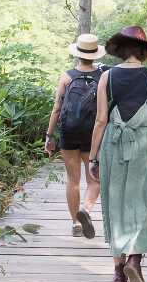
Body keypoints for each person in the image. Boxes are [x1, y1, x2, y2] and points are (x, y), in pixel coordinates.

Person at [87, 26, 147, 282]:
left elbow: (101, 120)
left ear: (120, 50)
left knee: (115, 205)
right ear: (144, 51)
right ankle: (134, 258)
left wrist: (93, 157)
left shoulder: (106, 76)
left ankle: (118, 274)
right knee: (141, 202)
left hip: (113, 143)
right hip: (144, 146)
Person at [44, 33, 105, 238]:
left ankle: (75, 224)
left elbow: (57, 108)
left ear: (77, 54)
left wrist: (49, 136)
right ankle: (85, 210)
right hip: (92, 132)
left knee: (73, 180)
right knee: (94, 179)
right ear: (95, 55)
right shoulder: (103, 77)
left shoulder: (67, 76)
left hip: (69, 131)